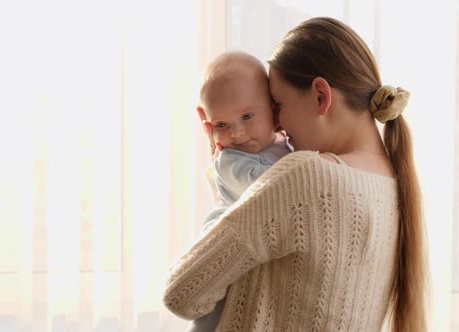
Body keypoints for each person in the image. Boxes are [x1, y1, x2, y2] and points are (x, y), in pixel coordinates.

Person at [164, 17, 429, 332]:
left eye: (278, 104)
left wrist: (228, 164)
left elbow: (182, 294)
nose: (278, 123)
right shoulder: (393, 183)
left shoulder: (305, 176)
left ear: (320, 95)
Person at [189, 51, 292, 331]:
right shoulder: (230, 161)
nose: (236, 133)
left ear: (273, 108)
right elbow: (269, 188)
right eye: (221, 124)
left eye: (247, 116)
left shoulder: (285, 143)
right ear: (207, 123)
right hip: (222, 257)